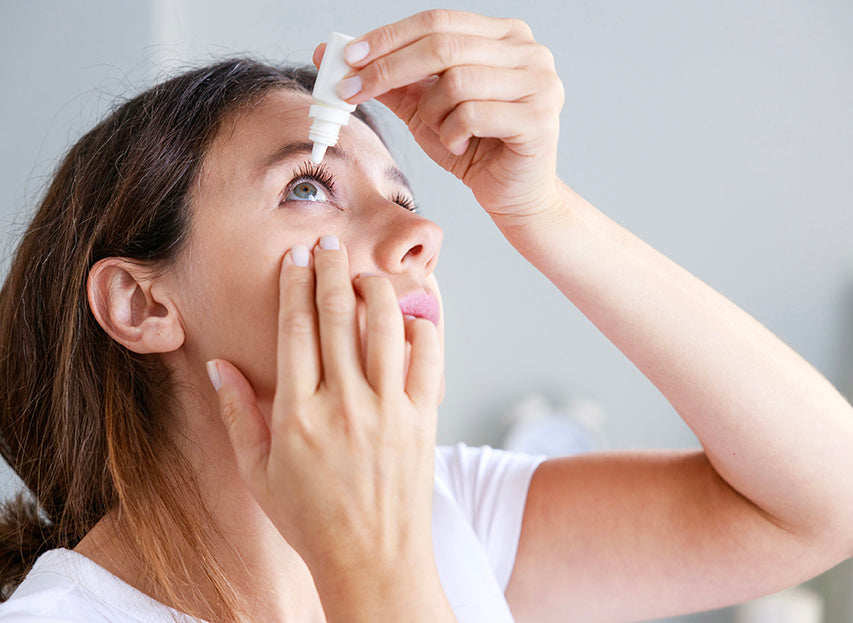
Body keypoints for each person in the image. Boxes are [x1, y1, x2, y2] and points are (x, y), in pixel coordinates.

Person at [1, 9, 851, 623]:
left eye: (403, 196)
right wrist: (371, 568)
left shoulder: (448, 515)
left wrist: (542, 212)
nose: (421, 232)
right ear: (142, 301)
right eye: (308, 187)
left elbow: (821, 504)